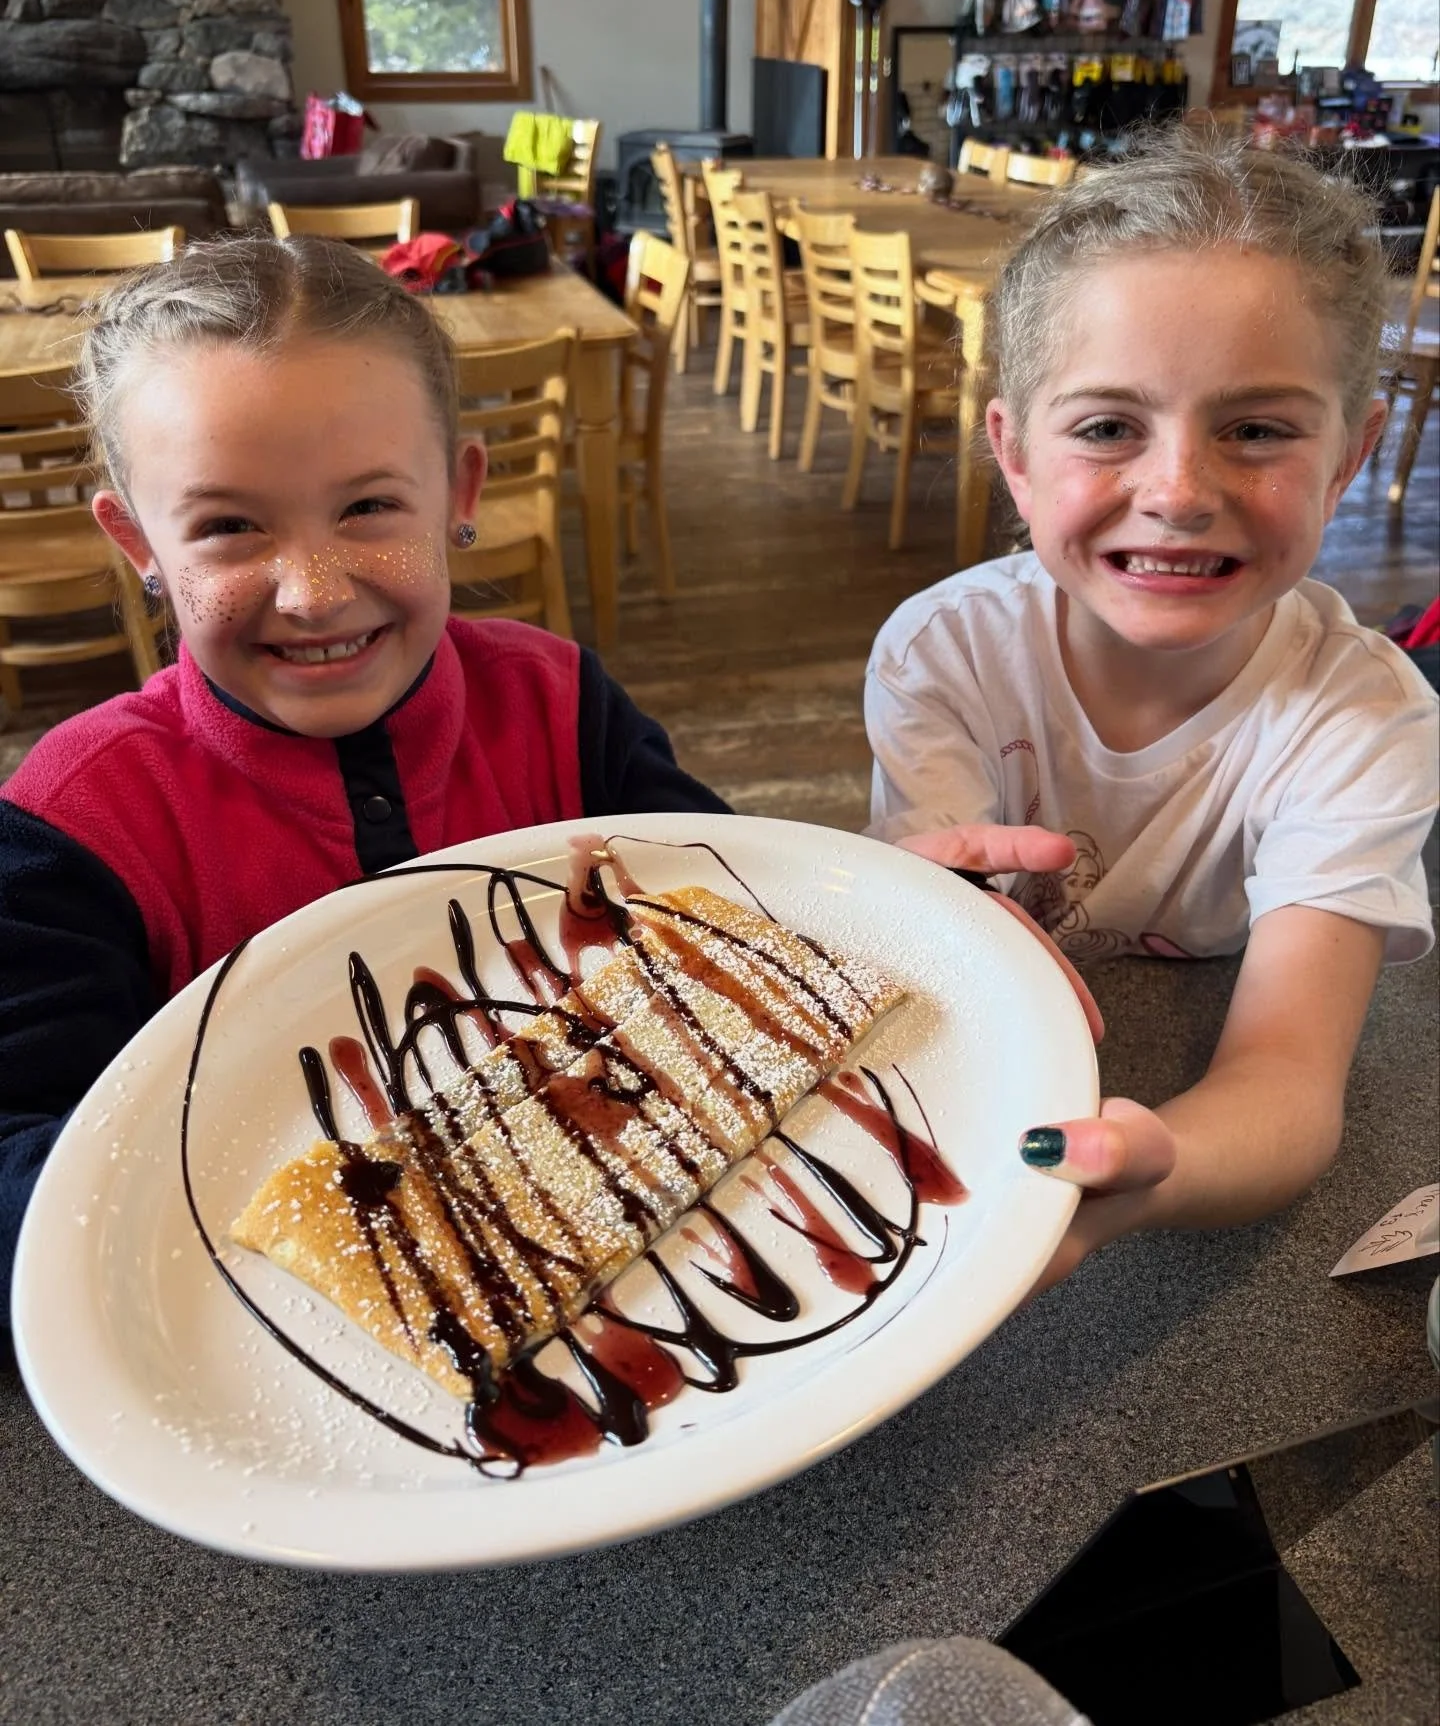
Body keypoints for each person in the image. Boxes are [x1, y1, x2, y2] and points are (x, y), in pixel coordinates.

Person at [0, 235, 727, 1319]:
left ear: (456, 492)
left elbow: (721, 925)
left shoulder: (559, 703)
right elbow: (28, 1182)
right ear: (138, 542)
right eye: (228, 526)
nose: (311, 590)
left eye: (368, 509)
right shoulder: (80, 820)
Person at [867, 129, 1439, 1290]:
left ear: (1349, 457)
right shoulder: (944, 654)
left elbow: (1284, 1079)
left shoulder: (1364, 717)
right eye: (1107, 427)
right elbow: (933, 976)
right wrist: (916, 920)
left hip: (1190, 1102)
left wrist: (1157, 1168)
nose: (1178, 492)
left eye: (1259, 429)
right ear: (1014, 455)